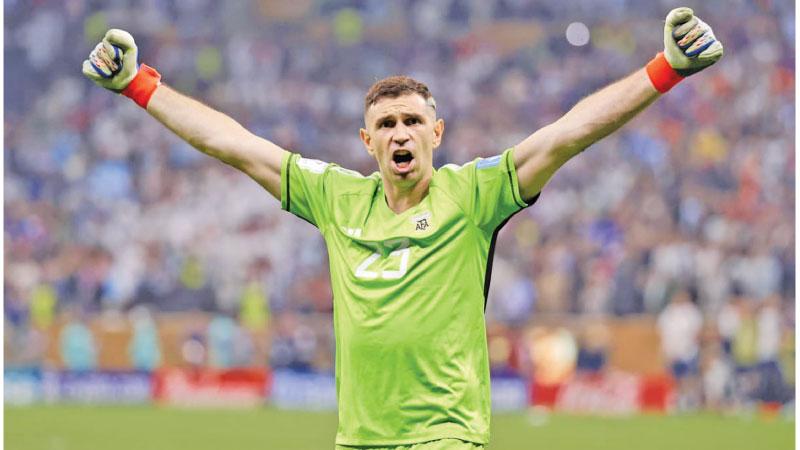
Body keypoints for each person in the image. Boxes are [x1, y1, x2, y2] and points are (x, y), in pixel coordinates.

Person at [82, 7, 722, 449]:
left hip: (444, 434)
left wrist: (662, 70)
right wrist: (139, 84)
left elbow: (569, 134)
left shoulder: (473, 194)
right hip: (359, 437)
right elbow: (235, 144)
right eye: (386, 125)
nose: (400, 133)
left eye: (413, 121)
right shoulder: (335, 198)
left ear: (436, 132)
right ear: (367, 141)